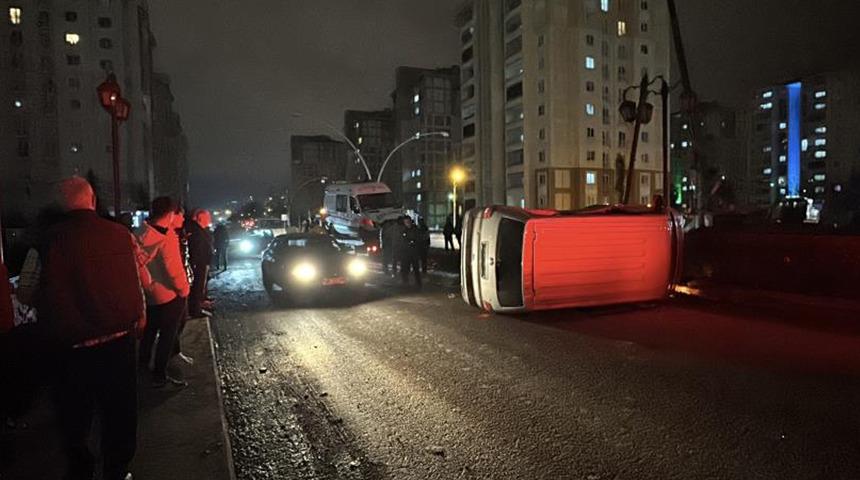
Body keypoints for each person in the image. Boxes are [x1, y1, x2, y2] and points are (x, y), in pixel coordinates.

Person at [39, 176, 146, 480]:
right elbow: (136, 278)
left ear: (62, 205)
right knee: (120, 412)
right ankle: (117, 469)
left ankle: (81, 468)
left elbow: (29, 289)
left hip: (71, 348)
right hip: (118, 341)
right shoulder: (119, 234)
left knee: (75, 416)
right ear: (93, 200)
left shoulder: (51, 240)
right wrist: (139, 314)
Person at [136, 197, 190, 387]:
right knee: (167, 336)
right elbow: (174, 270)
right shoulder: (167, 238)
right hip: (169, 296)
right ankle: (160, 375)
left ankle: (142, 368)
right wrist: (184, 290)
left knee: (149, 333)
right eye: (178, 213)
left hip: (150, 295)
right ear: (170, 214)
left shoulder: (141, 232)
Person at [186, 209, 214, 318]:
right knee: (197, 287)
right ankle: (196, 310)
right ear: (201, 218)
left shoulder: (200, 230)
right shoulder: (196, 231)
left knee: (200, 287)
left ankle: (199, 305)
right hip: (199, 264)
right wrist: (198, 264)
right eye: (207, 218)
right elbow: (196, 250)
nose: (209, 220)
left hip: (202, 263)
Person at [399, 216, 422, 287]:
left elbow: (418, 239)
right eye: (405, 222)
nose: (407, 223)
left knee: (416, 268)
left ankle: (418, 282)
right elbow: (401, 241)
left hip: (414, 252)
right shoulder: (403, 230)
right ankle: (405, 281)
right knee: (405, 268)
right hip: (406, 253)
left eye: (408, 222)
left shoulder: (415, 229)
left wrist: (413, 242)